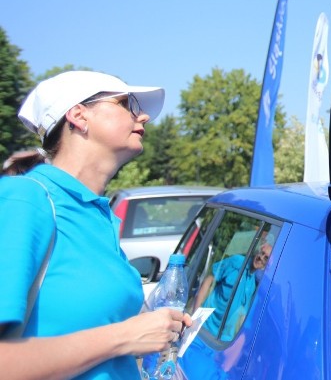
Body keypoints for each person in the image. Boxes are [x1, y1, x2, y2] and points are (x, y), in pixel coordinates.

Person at [0, 70, 192, 380]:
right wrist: (124, 337)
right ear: (78, 115)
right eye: (125, 104)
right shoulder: (24, 200)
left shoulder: (99, 215)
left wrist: (151, 330)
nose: (142, 116)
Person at [194, 242, 272, 341]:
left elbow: (242, 315)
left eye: (266, 258)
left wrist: (240, 340)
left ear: (265, 266)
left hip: (222, 339)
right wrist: (196, 315)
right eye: (262, 253)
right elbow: (209, 280)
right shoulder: (237, 261)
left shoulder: (252, 285)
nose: (261, 257)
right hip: (204, 326)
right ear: (257, 251)